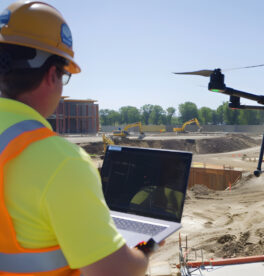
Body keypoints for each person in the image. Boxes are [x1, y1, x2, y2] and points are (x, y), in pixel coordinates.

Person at [0, 1, 158, 275]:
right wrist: (146, 248)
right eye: (64, 76)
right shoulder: (61, 162)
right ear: (52, 74)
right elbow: (115, 272)